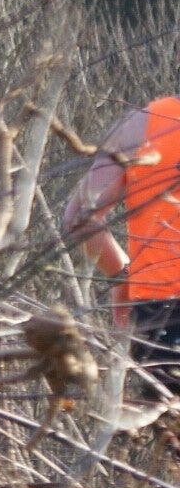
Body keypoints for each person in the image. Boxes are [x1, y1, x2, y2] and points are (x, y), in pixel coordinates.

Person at [63, 96, 180, 393]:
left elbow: (79, 218)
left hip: (160, 312)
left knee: (166, 418)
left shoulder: (142, 123)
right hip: (162, 311)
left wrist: (123, 275)